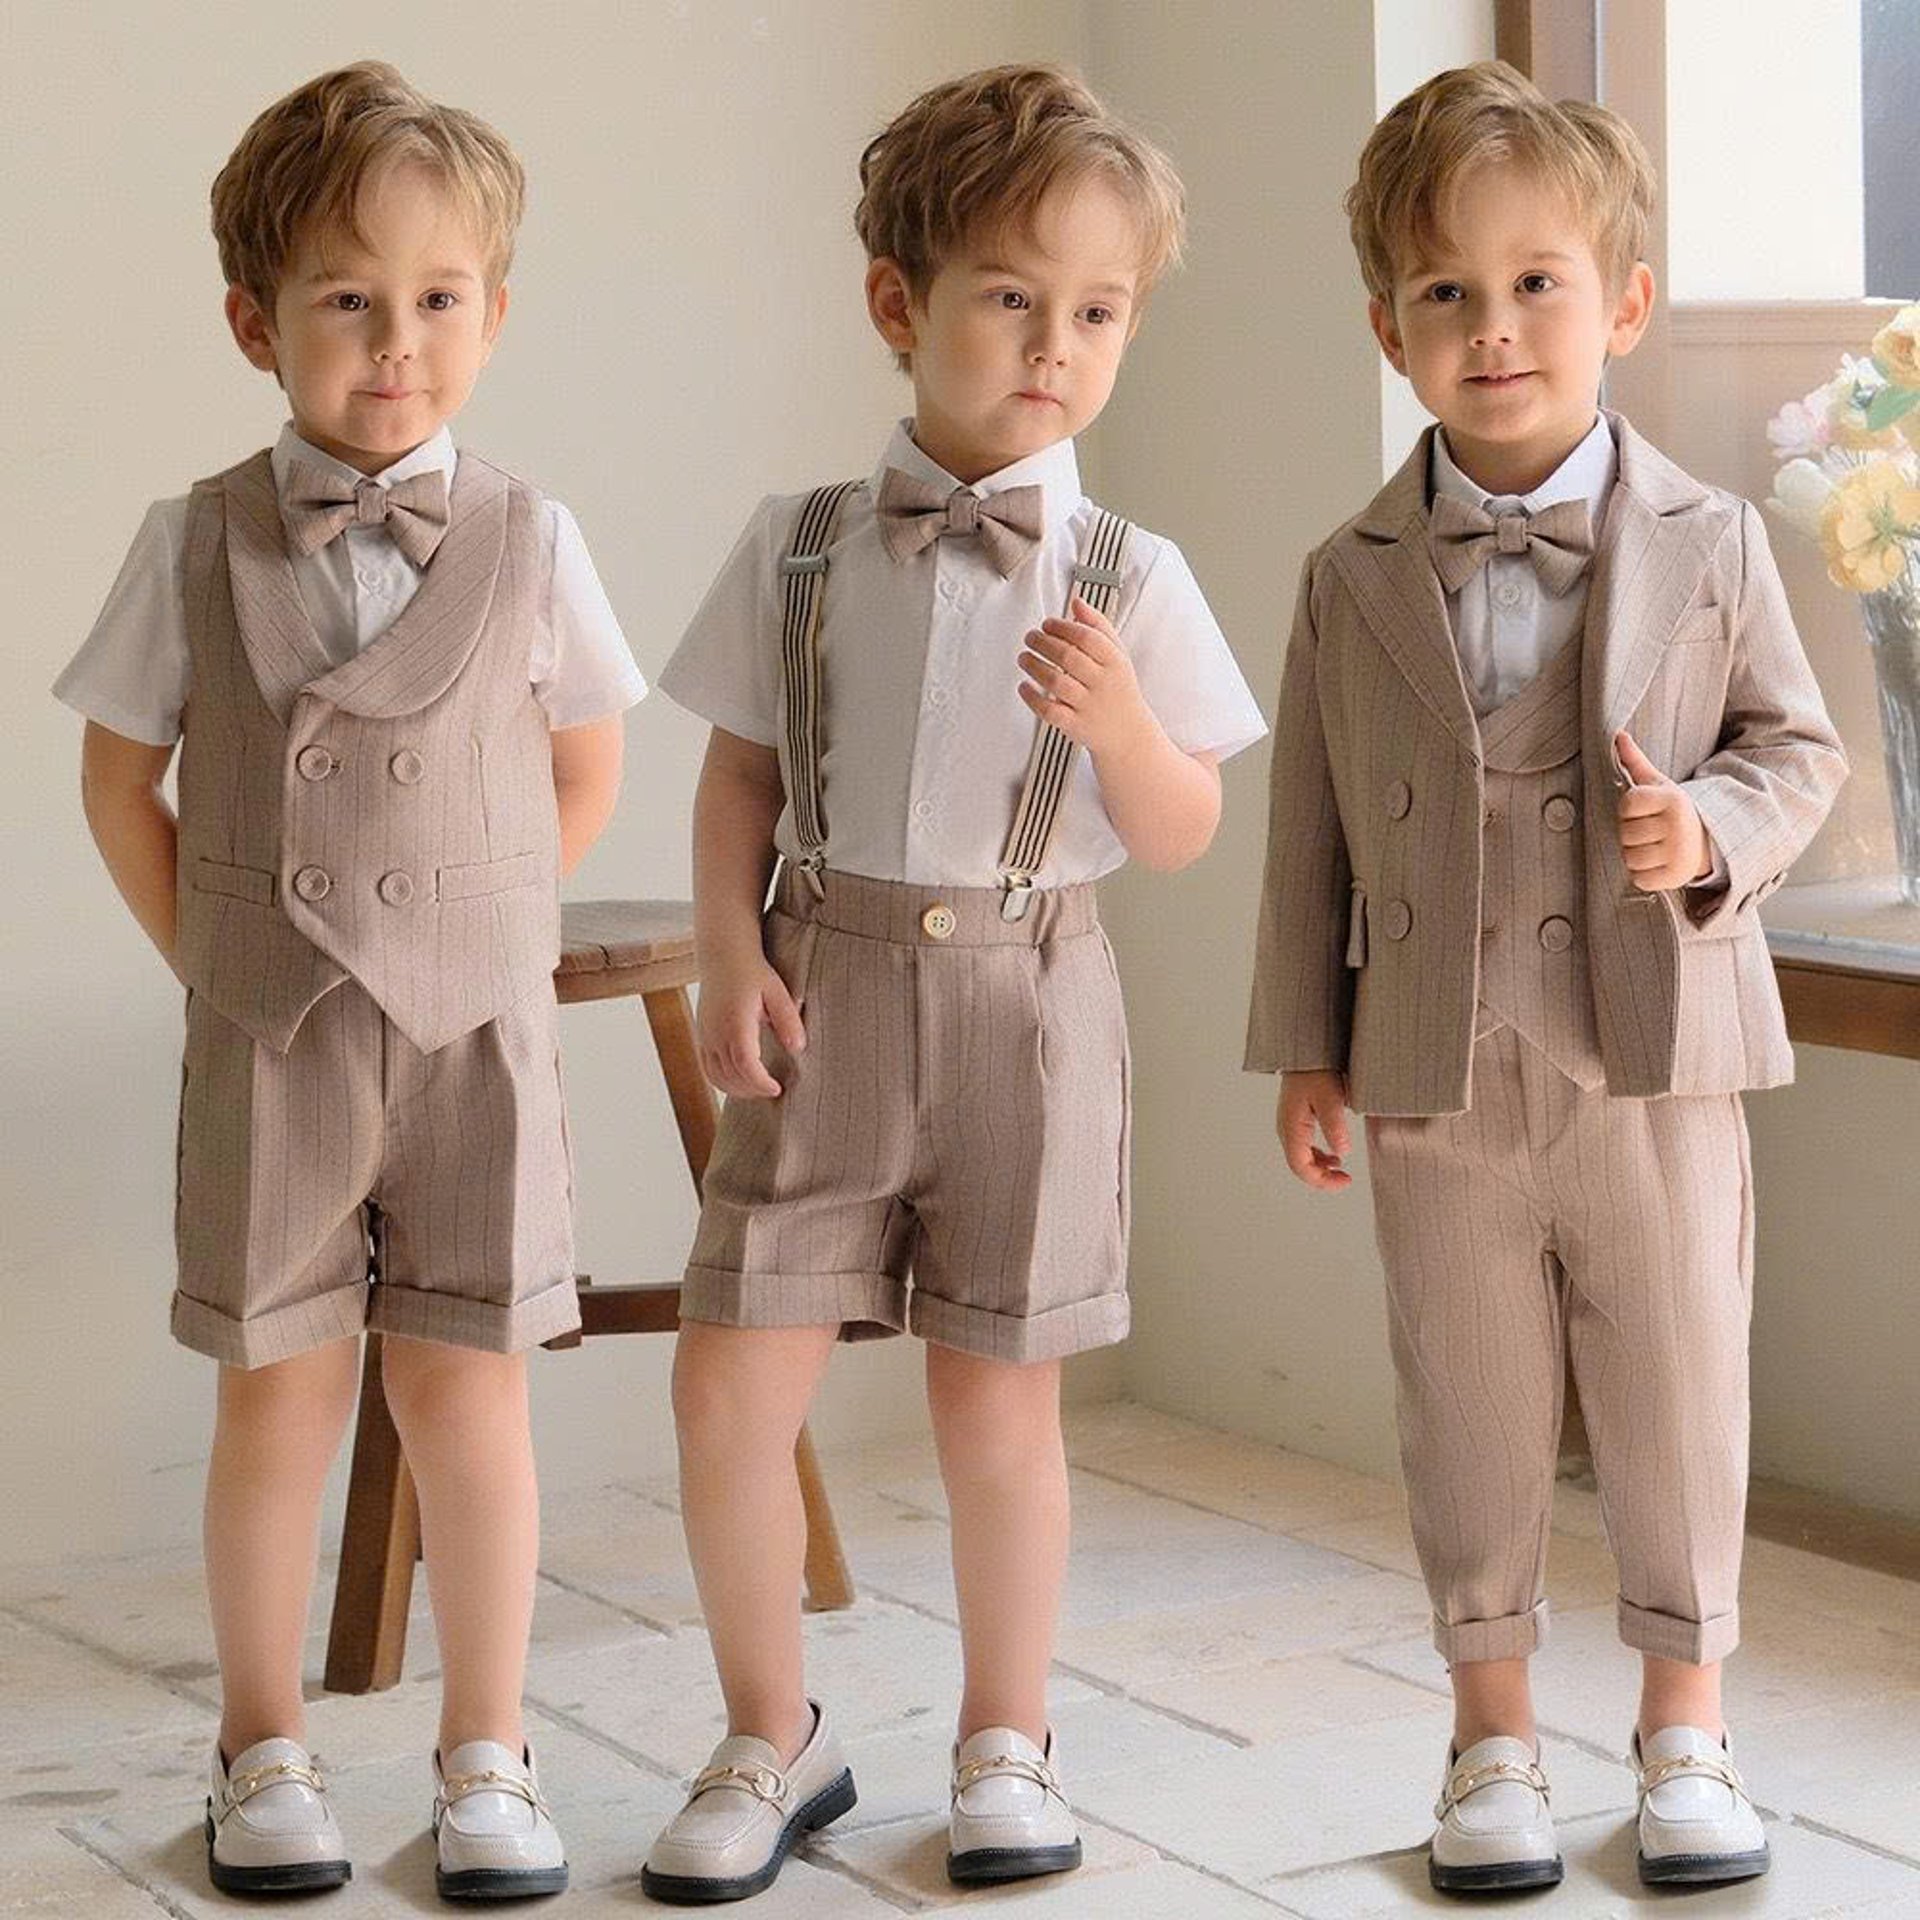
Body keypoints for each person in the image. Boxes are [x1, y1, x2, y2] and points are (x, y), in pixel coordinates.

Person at [641, 62, 1266, 1904]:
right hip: (823, 992)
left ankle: (1010, 1735)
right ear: (899, 305)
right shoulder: (807, 543)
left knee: (999, 1395)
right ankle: (777, 1731)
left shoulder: (1127, 570)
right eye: (1013, 298)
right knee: (730, 1378)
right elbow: (739, 774)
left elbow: (1179, 829)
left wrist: (1127, 727)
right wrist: (725, 953)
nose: (1056, 346)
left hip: (1029, 1011)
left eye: (1100, 313)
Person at [1245, 60, 1847, 1893]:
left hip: (1655, 1063)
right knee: (1469, 1401)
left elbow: (1798, 750)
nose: (1492, 328)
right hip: (1431, 1062)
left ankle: (1687, 1730)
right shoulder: (1348, 574)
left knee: (1677, 1394)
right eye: (1444, 292)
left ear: (1626, 308)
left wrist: (1715, 836)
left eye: (1535, 284)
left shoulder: (1711, 538)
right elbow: (1307, 838)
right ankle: (1488, 1739)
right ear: (1387, 328)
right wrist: (1304, 1054)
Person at [54, 60, 644, 1900]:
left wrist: (492, 938)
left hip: (474, 1033)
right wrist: (221, 962)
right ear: (256, 321)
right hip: (276, 1036)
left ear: (493, 310)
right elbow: (115, 776)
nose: (398, 344)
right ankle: (262, 1744)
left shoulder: (531, 536)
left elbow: (585, 757)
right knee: (279, 1395)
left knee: (470, 1390)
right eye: (346, 300)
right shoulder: (198, 533)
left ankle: (492, 1751)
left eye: (438, 299)